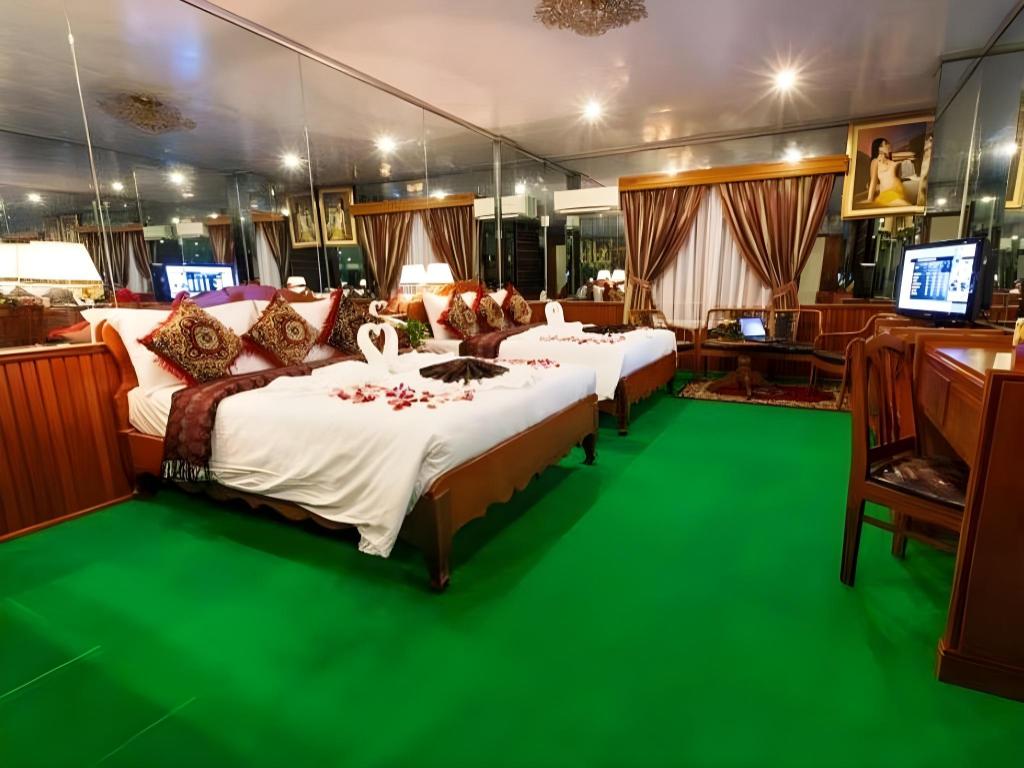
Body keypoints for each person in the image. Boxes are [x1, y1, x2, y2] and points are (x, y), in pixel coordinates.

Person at [866, 137, 910, 206]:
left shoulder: (891, 161)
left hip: (899, 192)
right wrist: (869, 199)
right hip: (887, 194)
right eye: (885, 144)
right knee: (907, 206)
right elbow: (873, 181)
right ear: (879, 148)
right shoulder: (875, 161)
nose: (888, 145)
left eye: (888, 143)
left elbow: (895, 176)